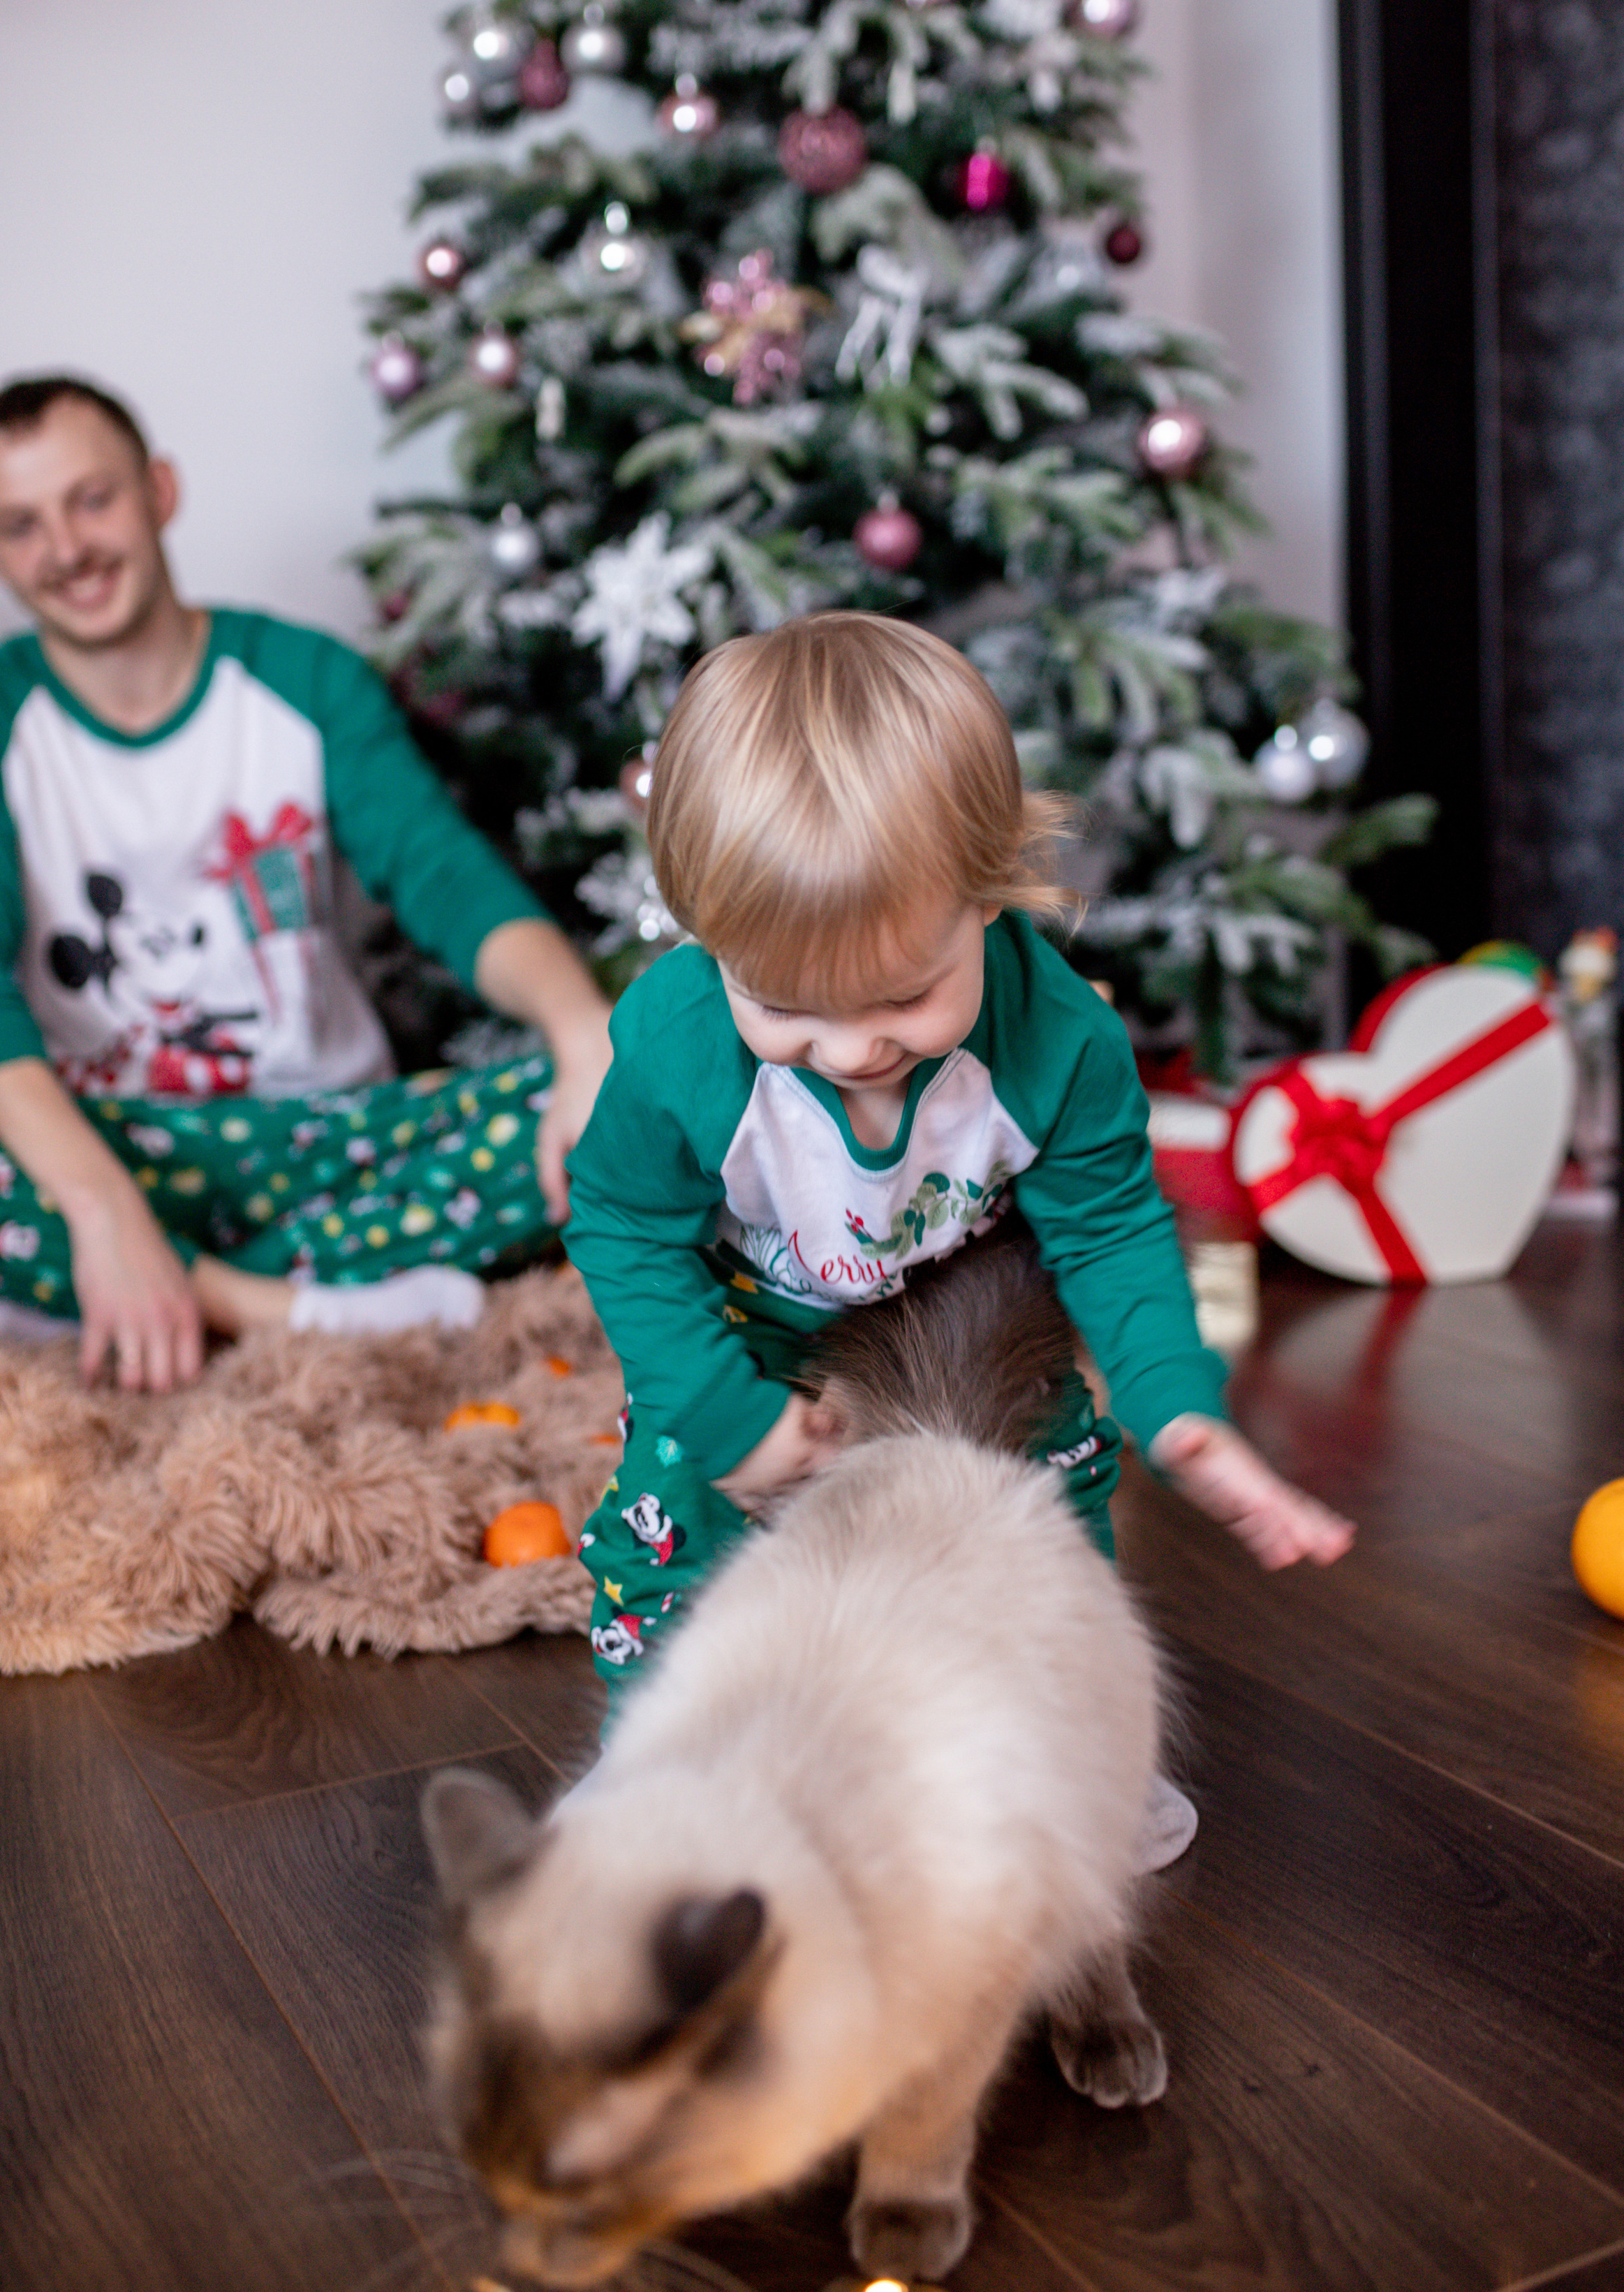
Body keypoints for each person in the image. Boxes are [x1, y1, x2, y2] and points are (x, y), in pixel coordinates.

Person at [566, 612, 1354, 1723]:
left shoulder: (1057, 1037)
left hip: (967, 1316)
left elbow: (1109, 1225)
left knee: (1047, 1518)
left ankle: (1058, 1744)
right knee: (671, 1526)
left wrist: (1177, 1404)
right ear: (704, 937)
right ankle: (662, 1761)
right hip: (755, 1321)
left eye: (902, 997)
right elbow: (623, 1227)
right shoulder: (679, 1046)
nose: (852, 1052)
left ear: (991, 893)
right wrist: (722, 1415)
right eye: (783, 1007)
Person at [0, 374, 612, 1390]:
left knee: (612, 1096)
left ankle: (168, 1288)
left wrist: (580, 1024)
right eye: (21, 525)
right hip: (108, 1148)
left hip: (336, 1130)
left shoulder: (304, 676)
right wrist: (102, 1210)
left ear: (159, 492)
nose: (66, 549)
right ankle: (278, 1306)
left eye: (92, 500)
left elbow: (443, 876)